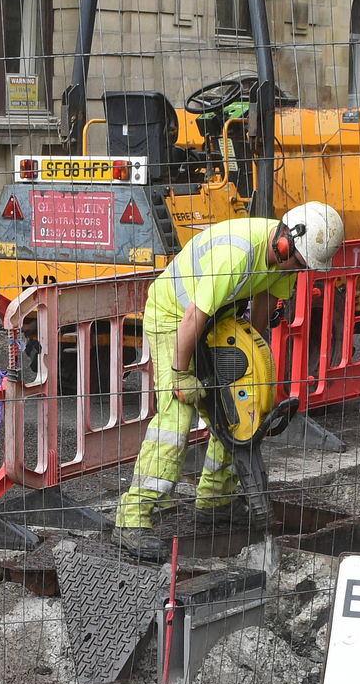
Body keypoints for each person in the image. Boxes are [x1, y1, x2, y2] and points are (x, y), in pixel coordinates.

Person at [112, 202, 343, 556]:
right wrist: (181, 374)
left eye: (303, 266)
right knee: (176, 418)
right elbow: (191, 319)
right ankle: (133, 518)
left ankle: (214, 502)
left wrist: (249, 370)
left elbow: (263, 306)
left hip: (218, 316)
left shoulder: (290, 256)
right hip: (175, 314)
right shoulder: (237, 255)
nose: (297, 269)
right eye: (296, 262)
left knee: (236, 409)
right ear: (284, 240)